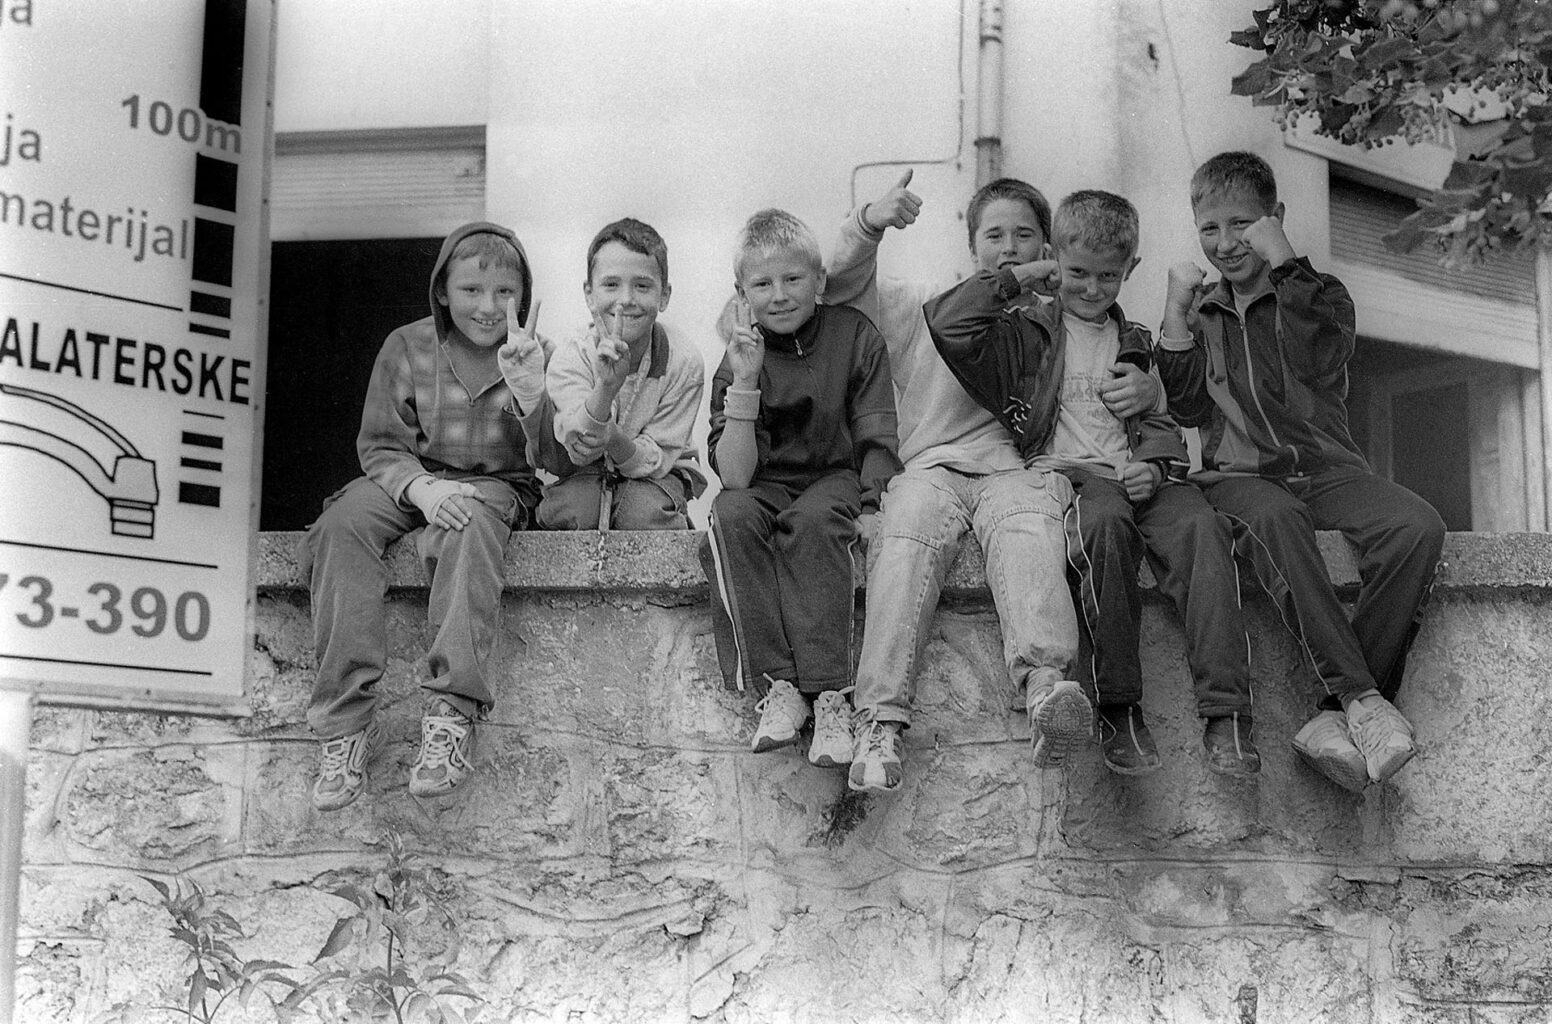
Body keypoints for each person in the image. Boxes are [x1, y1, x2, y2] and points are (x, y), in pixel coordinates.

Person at [925, 189, 1260, 779]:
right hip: (1073, 478)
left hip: (1139, 476)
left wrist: (1155, 464)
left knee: (1203, 528)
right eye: (1076, 272)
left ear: (1130, 269)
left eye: (1108, 276)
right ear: (1056, 258)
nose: (1090, 288)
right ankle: (1118, 707)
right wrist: (1025, 275)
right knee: (1104, 527)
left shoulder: (1132, 339)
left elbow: (1161, 427)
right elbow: (949, 322)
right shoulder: (1026, 332)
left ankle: (1227, 711)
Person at [1156, 150, 1445, 792]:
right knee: (1278, 517)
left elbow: (1318, 358)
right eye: (1209, 228)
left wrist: (1286, 261)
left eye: (1243, 224)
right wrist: (1174, 313)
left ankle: (1328, 718)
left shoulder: (1319, 295)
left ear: (1276, 218)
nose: (1226, 243)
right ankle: (1364, 702)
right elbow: (1184, 405)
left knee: (1416, 526)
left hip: (1327, 468)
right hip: (1239, 478)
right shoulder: (1202, 315)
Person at [828, 174, 1122, 792]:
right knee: (903, 536)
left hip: (1013, 471)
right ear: (972, 245)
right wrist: (869, 223)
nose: (1009, 247)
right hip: (931, 468)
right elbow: (841, 285)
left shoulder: (1059, 321)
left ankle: (1047, 690)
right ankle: (879, 720)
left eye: (1024, 235)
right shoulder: (929, 299)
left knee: (1029, 528)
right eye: (994, 235)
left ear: (1047, 245)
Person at [298, 221, 553, 810]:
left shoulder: (540, 353)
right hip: (412, 477)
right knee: (342, 525)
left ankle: (449, 715)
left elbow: (556, 461)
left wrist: (533, 395)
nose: (489, 308)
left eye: (506, 293)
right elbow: (380, 445)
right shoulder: (406, 345)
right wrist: (421, 487)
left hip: (493, 487)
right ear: (442, 291)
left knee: (467, 522)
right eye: (471, 291)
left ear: (525, 296)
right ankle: (345, 724)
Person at [700, 208, 901, 770]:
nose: (780, 295)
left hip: (833, 477)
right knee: (729, 514)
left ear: (819, 280)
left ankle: (831, 694)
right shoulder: (740, 355)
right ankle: (779, 686)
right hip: (767, 483)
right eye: (762, 284)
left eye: (793, 279)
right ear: (741, 293)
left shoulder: (854, 335)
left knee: (812, 526)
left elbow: (877, 428)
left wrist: (872, 502)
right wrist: (744, 380)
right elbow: (736, 476)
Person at [540, 218, 705, 530]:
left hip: (657, 473)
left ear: (664, 295)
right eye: (611, 285)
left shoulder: (684, 361)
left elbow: (656, 458)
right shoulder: (571, 356)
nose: (626, 299)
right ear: (589, 294)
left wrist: (613, 438)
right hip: (583, 469)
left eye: (642, 286)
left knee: (644, 514)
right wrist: (605, 387)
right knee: (574, 511)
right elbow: (578, 448)